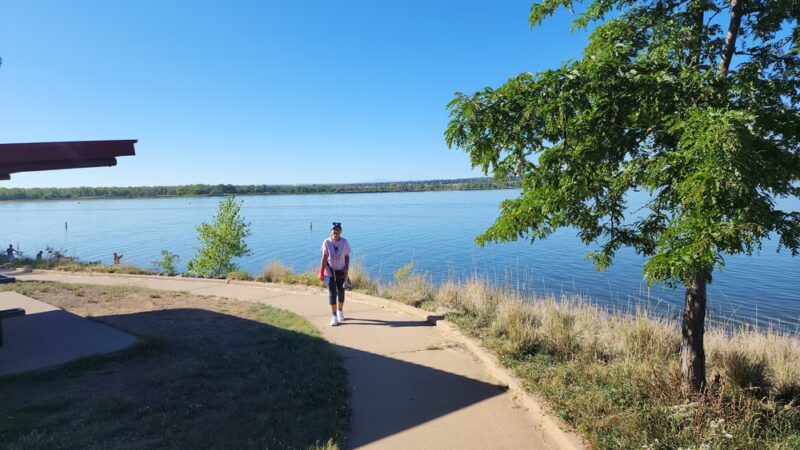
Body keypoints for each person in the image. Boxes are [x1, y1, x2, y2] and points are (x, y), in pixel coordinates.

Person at [319, 222, 351, 326]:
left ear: (340, 231)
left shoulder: (344, 242)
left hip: (341, 271)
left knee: (341, 293)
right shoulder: (326, 242)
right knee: (332, 294)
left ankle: (340, 311)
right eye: (333, 229)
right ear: (331, 231)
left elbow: (347, 256)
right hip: (330, 272)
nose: (335, 231)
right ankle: (334, 316)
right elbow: (324, 258)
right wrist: (321, 272)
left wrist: (346, 268)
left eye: (337, 229)